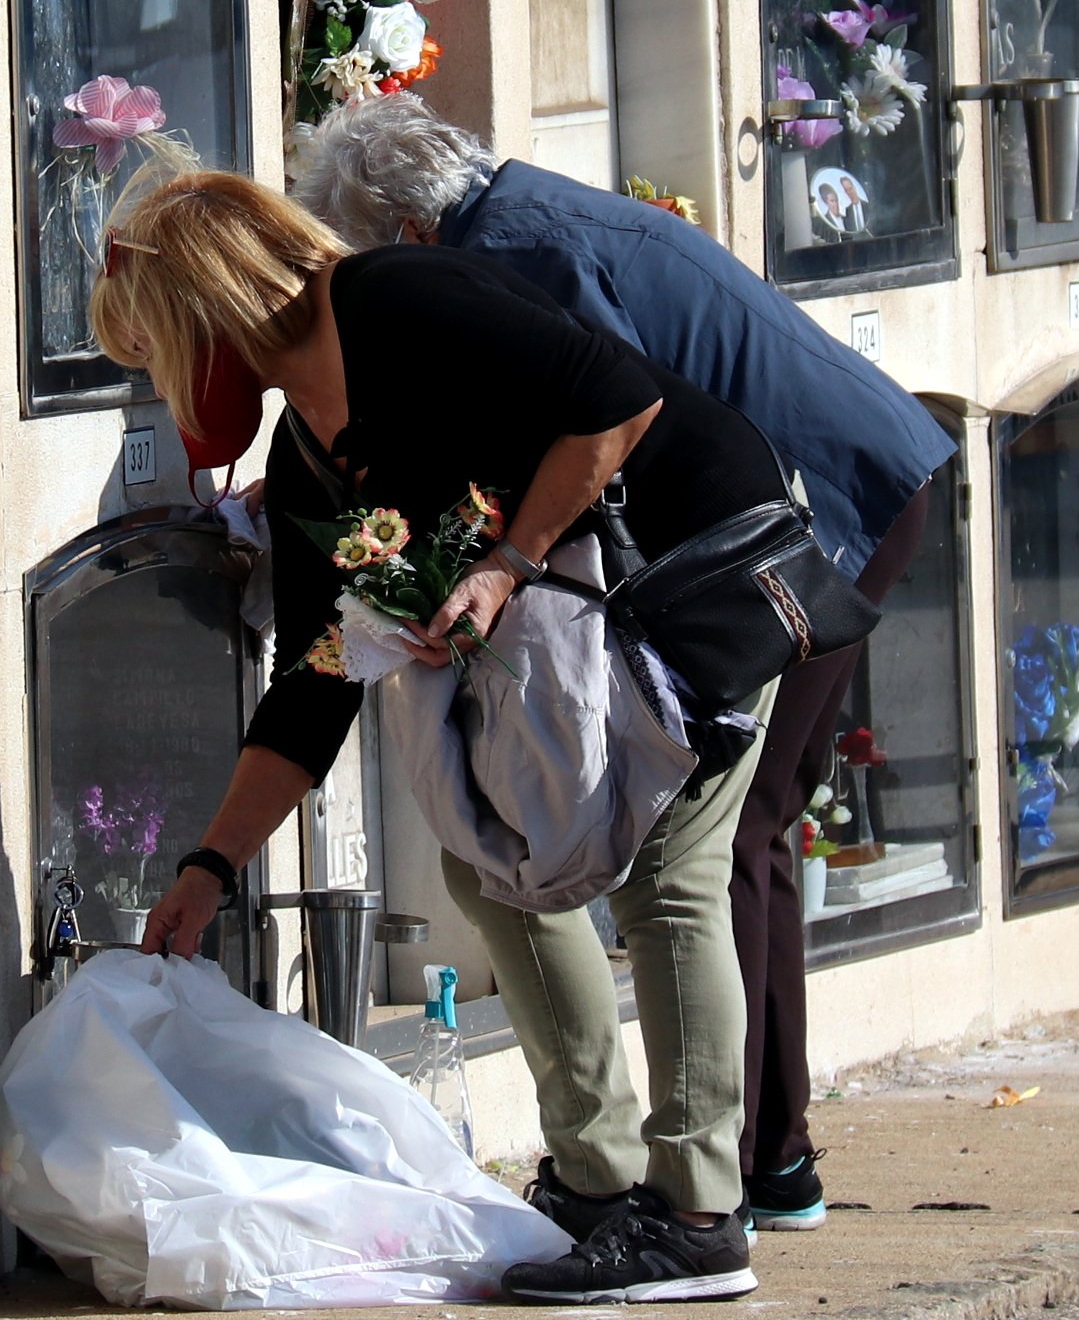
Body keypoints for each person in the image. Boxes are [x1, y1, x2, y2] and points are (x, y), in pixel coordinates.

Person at [90, 159, 791, 1306]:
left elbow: (617, 398)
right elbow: (314, 681)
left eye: (152, 358)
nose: (167, 399)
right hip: (588, 637)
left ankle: (703, 1213)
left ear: (200, 319)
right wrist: (212, 866)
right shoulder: (307, 458)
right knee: (490, 870)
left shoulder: (392, 298)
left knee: (668, 877)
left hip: (695, 576)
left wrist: (508, 564)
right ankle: (597, 1182)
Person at [293, 91, 954, 1234]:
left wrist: (491, 554)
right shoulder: (524, 217)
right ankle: (770, 1162)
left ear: (399, 233)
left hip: (825, 507)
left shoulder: (514, 254)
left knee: (713, 831)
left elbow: (605, 430)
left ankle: (721, 1184)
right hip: (838, 489)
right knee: (751, 830)